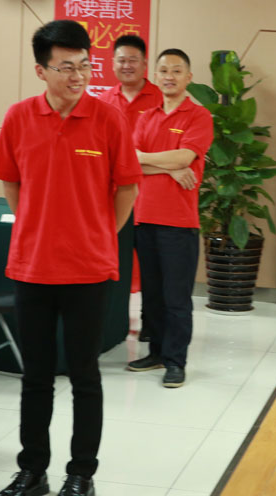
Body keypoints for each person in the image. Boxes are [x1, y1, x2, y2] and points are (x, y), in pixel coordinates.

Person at [0, 20, 140, 496]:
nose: (78, 76)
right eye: (66, 67)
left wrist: (97, 234)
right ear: (41, 70)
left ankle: (81, 474)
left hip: (88, 269)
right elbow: (10, 181)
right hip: (32, 267)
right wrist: (37, 225)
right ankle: (32, 471)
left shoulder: (108, 118)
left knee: (84, 377)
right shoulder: (18, 117)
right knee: (35, 377)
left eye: (85, 66)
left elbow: (127, 187)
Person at [125, 48, 213, 388]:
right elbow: (131, 161)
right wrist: (170, 167)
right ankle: (157, 353)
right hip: (144, 218)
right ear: (155, 76)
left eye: (176, 71)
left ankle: (176, 362)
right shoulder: (146, 116)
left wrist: (166, 162)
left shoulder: (198, 116)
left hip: (179, 222)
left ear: (188, 77)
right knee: (152, 295)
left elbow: (185, 157)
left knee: (176, 299)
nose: (169, 76)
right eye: (163, 70)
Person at [99, 34, 164, 341]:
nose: (127, 66)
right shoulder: (103, 101)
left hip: (153, 196)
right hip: (114, 196)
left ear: (145, 64)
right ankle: (112, 322)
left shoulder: (160, 98)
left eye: (133, 60)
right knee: (113, 260)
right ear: (112, 63)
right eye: (121, 60)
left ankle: (152, 325)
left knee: (151, 265)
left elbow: (166, 152)